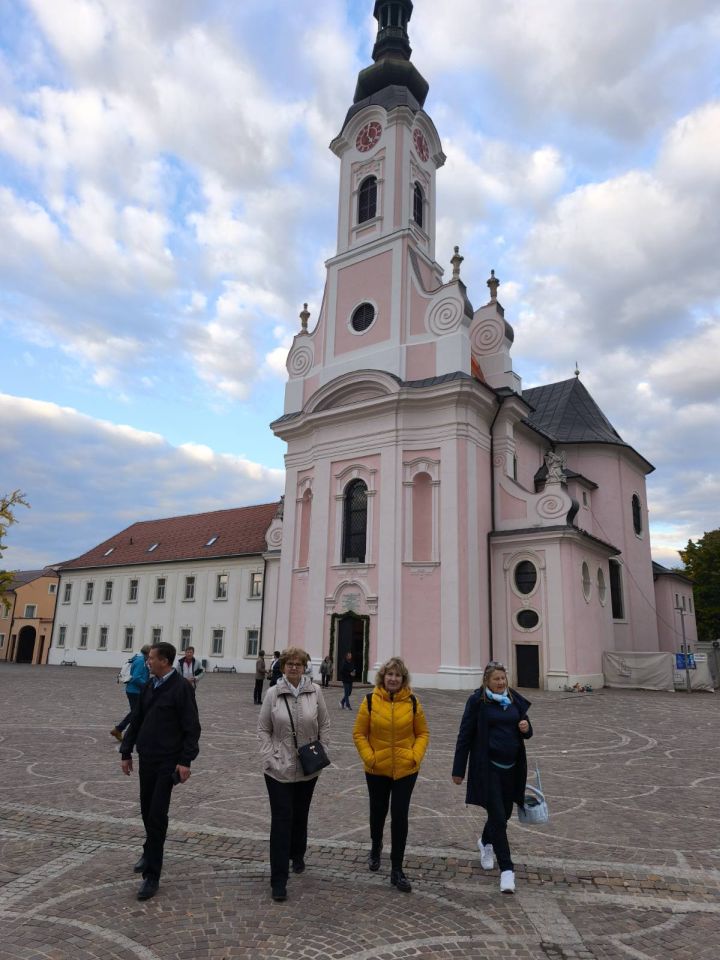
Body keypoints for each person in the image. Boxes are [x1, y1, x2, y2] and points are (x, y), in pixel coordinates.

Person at [120, 642, 201, 901]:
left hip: (168, 760)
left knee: (157, 813)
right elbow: (137, 719)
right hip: (148, 758)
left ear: (165, 661)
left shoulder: (181, 688)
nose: (148, 662)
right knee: (146, 808)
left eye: (152, 658)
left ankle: (152, 875)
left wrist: (186, 761)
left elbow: (192, 727)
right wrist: (126, 750)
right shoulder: (149, 686)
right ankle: (149, 848)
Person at [451, 660, 533, 894]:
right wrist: (458, 770)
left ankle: (485, 842)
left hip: (513, 768)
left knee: (503, 815)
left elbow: (527, 729)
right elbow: (464, 735)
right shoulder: (478, 702)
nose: (500, 682)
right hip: (488, 769)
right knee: (497, 814)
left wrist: (527, 729)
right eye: (496, 679)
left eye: (503, 678)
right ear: (486, 681)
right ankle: (507, 870)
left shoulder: (514, 699)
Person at [257, 646, 330, 903]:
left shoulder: (315, 691)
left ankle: (297, 853)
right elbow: (263, 729)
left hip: (309, 768)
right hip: (278, 769)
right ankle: (278, 879)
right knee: (281, 819)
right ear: (284, 666)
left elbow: (324, 724)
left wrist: (323, 750)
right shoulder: (273, 693)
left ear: (304, 666)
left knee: (301, 814)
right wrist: (270, 757)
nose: (294, 668)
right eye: (290, 664)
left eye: (298, 664)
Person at [352, 657, 429, 893]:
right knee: (378, 811)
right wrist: (370, 757)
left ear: (403, 679)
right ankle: (376, 845)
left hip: (406, 769)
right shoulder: (370, 701)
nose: (393, 679)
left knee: (400, 815)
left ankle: (397, 868)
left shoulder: (413, 702)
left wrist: (414, 756)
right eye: (389, 675)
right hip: (377, 768)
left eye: (397, 675)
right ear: (383, 677)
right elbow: (359, 733)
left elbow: (423, 733)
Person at [111, 644, 151, 741]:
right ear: (147, 653)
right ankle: (123, 731)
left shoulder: (137, 657)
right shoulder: (141, 661)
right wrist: (147, 685)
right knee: (137, 713)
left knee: (137, 712)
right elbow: (136, 678)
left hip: (133, 690)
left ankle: (120, 730)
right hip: (135, 691)